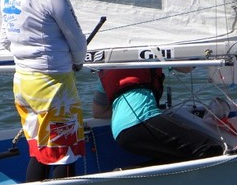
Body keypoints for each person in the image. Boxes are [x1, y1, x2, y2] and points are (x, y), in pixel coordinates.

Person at [0, 0, 87, 182]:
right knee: (65, 152)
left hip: (23, 84)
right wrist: (77, 61)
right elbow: (78, 43)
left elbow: (5, 39)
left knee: (38, 150)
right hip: (52, 86)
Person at [92, 68, 226, 164]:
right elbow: (186, 68)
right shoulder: (149, 54)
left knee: (181, 156)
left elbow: (99, 112)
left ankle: (128, 173)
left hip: (120, 132)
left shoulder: (107, 70)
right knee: (209, 149)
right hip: (142, 120)